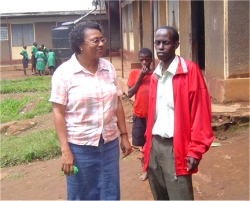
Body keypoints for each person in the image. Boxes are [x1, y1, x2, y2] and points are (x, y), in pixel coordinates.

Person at [49, 21, 132, 200]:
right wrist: (65, 151)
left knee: (110, 192)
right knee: (83, 194)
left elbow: (116, 103)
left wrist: (124, 135)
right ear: (81, 44)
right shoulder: (64, 74)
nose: (101, 44)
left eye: (102, 40)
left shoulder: (108, 68)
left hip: (109, 143)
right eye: (95, 41)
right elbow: (58, 113)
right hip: (80, 146)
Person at [142, 26, 214, 200]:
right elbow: (153, 115)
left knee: (180, 196)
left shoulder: (189, 71)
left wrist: (195, 150)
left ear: (175, 45)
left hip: (176, 146)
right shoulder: (155, 75)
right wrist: (146, 148)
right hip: (154, 145)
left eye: (165, 43)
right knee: (160, 195)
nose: (160, 47)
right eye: (157, 43)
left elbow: (200, 113)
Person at [127, 47, 153, 181]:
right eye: (141, 60)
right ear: (138, 60)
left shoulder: (156, 74)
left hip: (153, 116)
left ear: (151, 60)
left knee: (153, 143)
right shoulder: (134, 73)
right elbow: (130, 93)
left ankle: (155, 169)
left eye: (147, 60)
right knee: (143, 145)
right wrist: (141, 77)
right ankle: (145, 169)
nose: (144, 63)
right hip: (139, 114)